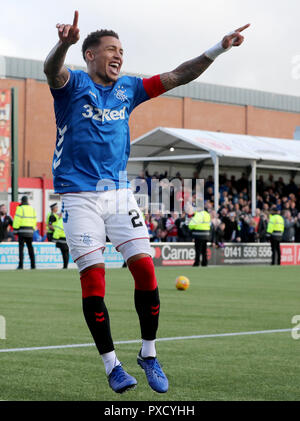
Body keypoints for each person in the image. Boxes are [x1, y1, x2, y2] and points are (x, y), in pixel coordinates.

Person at [43, 10, 249, 394]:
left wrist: (218, 49)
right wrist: (63, 44)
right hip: (78, 196)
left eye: (121, 50)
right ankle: (112, 365)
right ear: (89, 55)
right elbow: (51, 70)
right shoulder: (72, 84)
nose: (118, 55)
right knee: (94, 280)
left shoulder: (130, 89)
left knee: (146, 271)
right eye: (110, 50)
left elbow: (178, 74)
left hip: (119, 192)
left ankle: (149, 354)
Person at [12, 196, 37, 269]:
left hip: (22, 231)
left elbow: (17, 220)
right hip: (30, 232)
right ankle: (33, 265)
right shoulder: (32, 209)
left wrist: (15, 230)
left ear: (22, 201)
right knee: (30, 248)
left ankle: (21, 265)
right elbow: (34, 220)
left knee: (21, 249)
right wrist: (32, 230)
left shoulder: (20, 208)